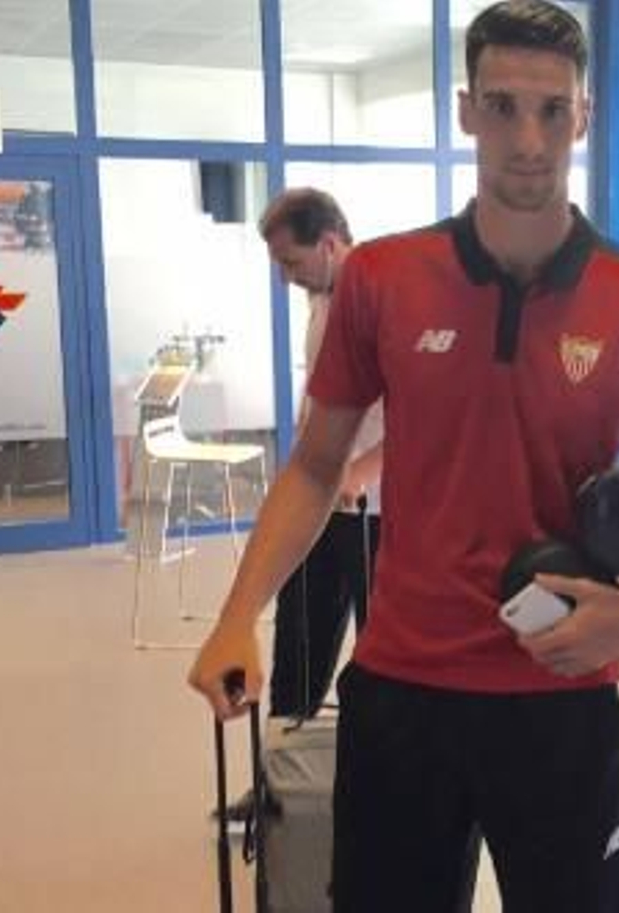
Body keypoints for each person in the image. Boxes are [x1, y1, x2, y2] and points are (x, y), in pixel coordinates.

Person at [187, 3, 619, 911]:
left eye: (553, 110)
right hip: (404, 690)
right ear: (466, 111)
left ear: (584, 116)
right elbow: (317, 466)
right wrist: (238, 614)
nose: (529, 139)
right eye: (504, 106)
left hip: (561, 693)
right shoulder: (382, 279)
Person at [260, 187, 384, 722]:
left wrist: (360, 471)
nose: (285, 277)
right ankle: (282, 758)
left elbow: (424, 410)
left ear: (329, 244)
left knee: (382, 660)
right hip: (319, 505)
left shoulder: (383, 299)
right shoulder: (320, 298)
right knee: (297, 647)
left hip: (377, 513)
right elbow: (318, 389)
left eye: (292, 262)